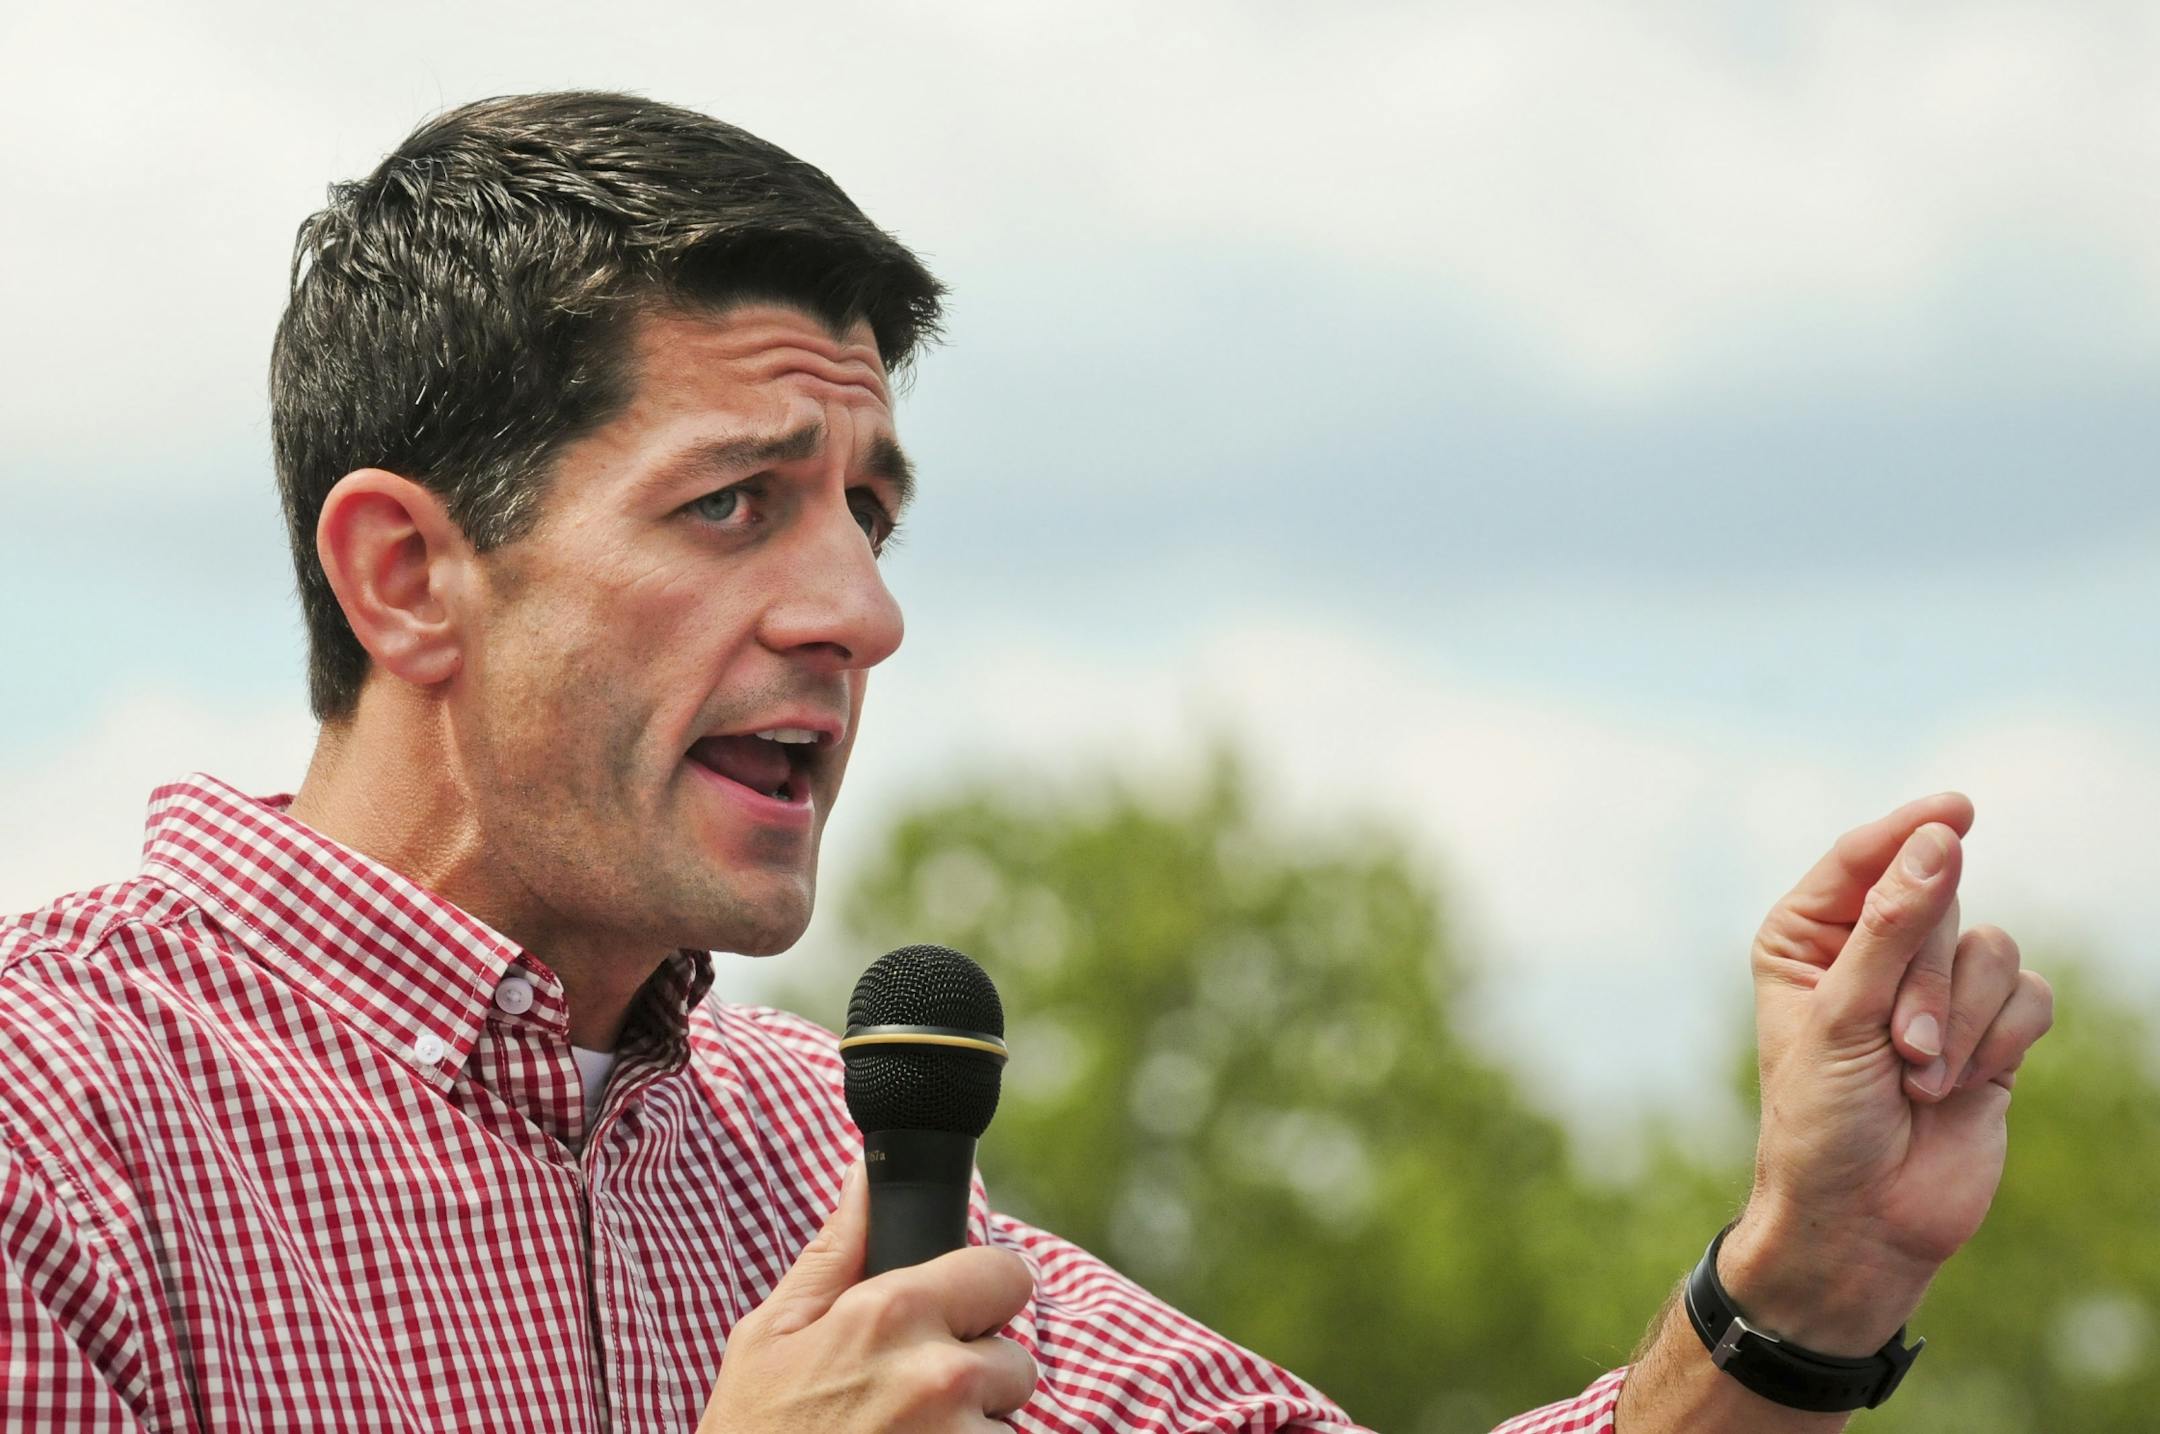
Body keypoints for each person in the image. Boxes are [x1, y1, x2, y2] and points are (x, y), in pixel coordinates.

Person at [0, 91, 2053, 1433]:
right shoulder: (56, 1127)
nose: (858, 613)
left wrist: (1809, 1278)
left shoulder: (834, 1145)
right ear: (408, 576)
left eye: (869, 515)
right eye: (736, 505)